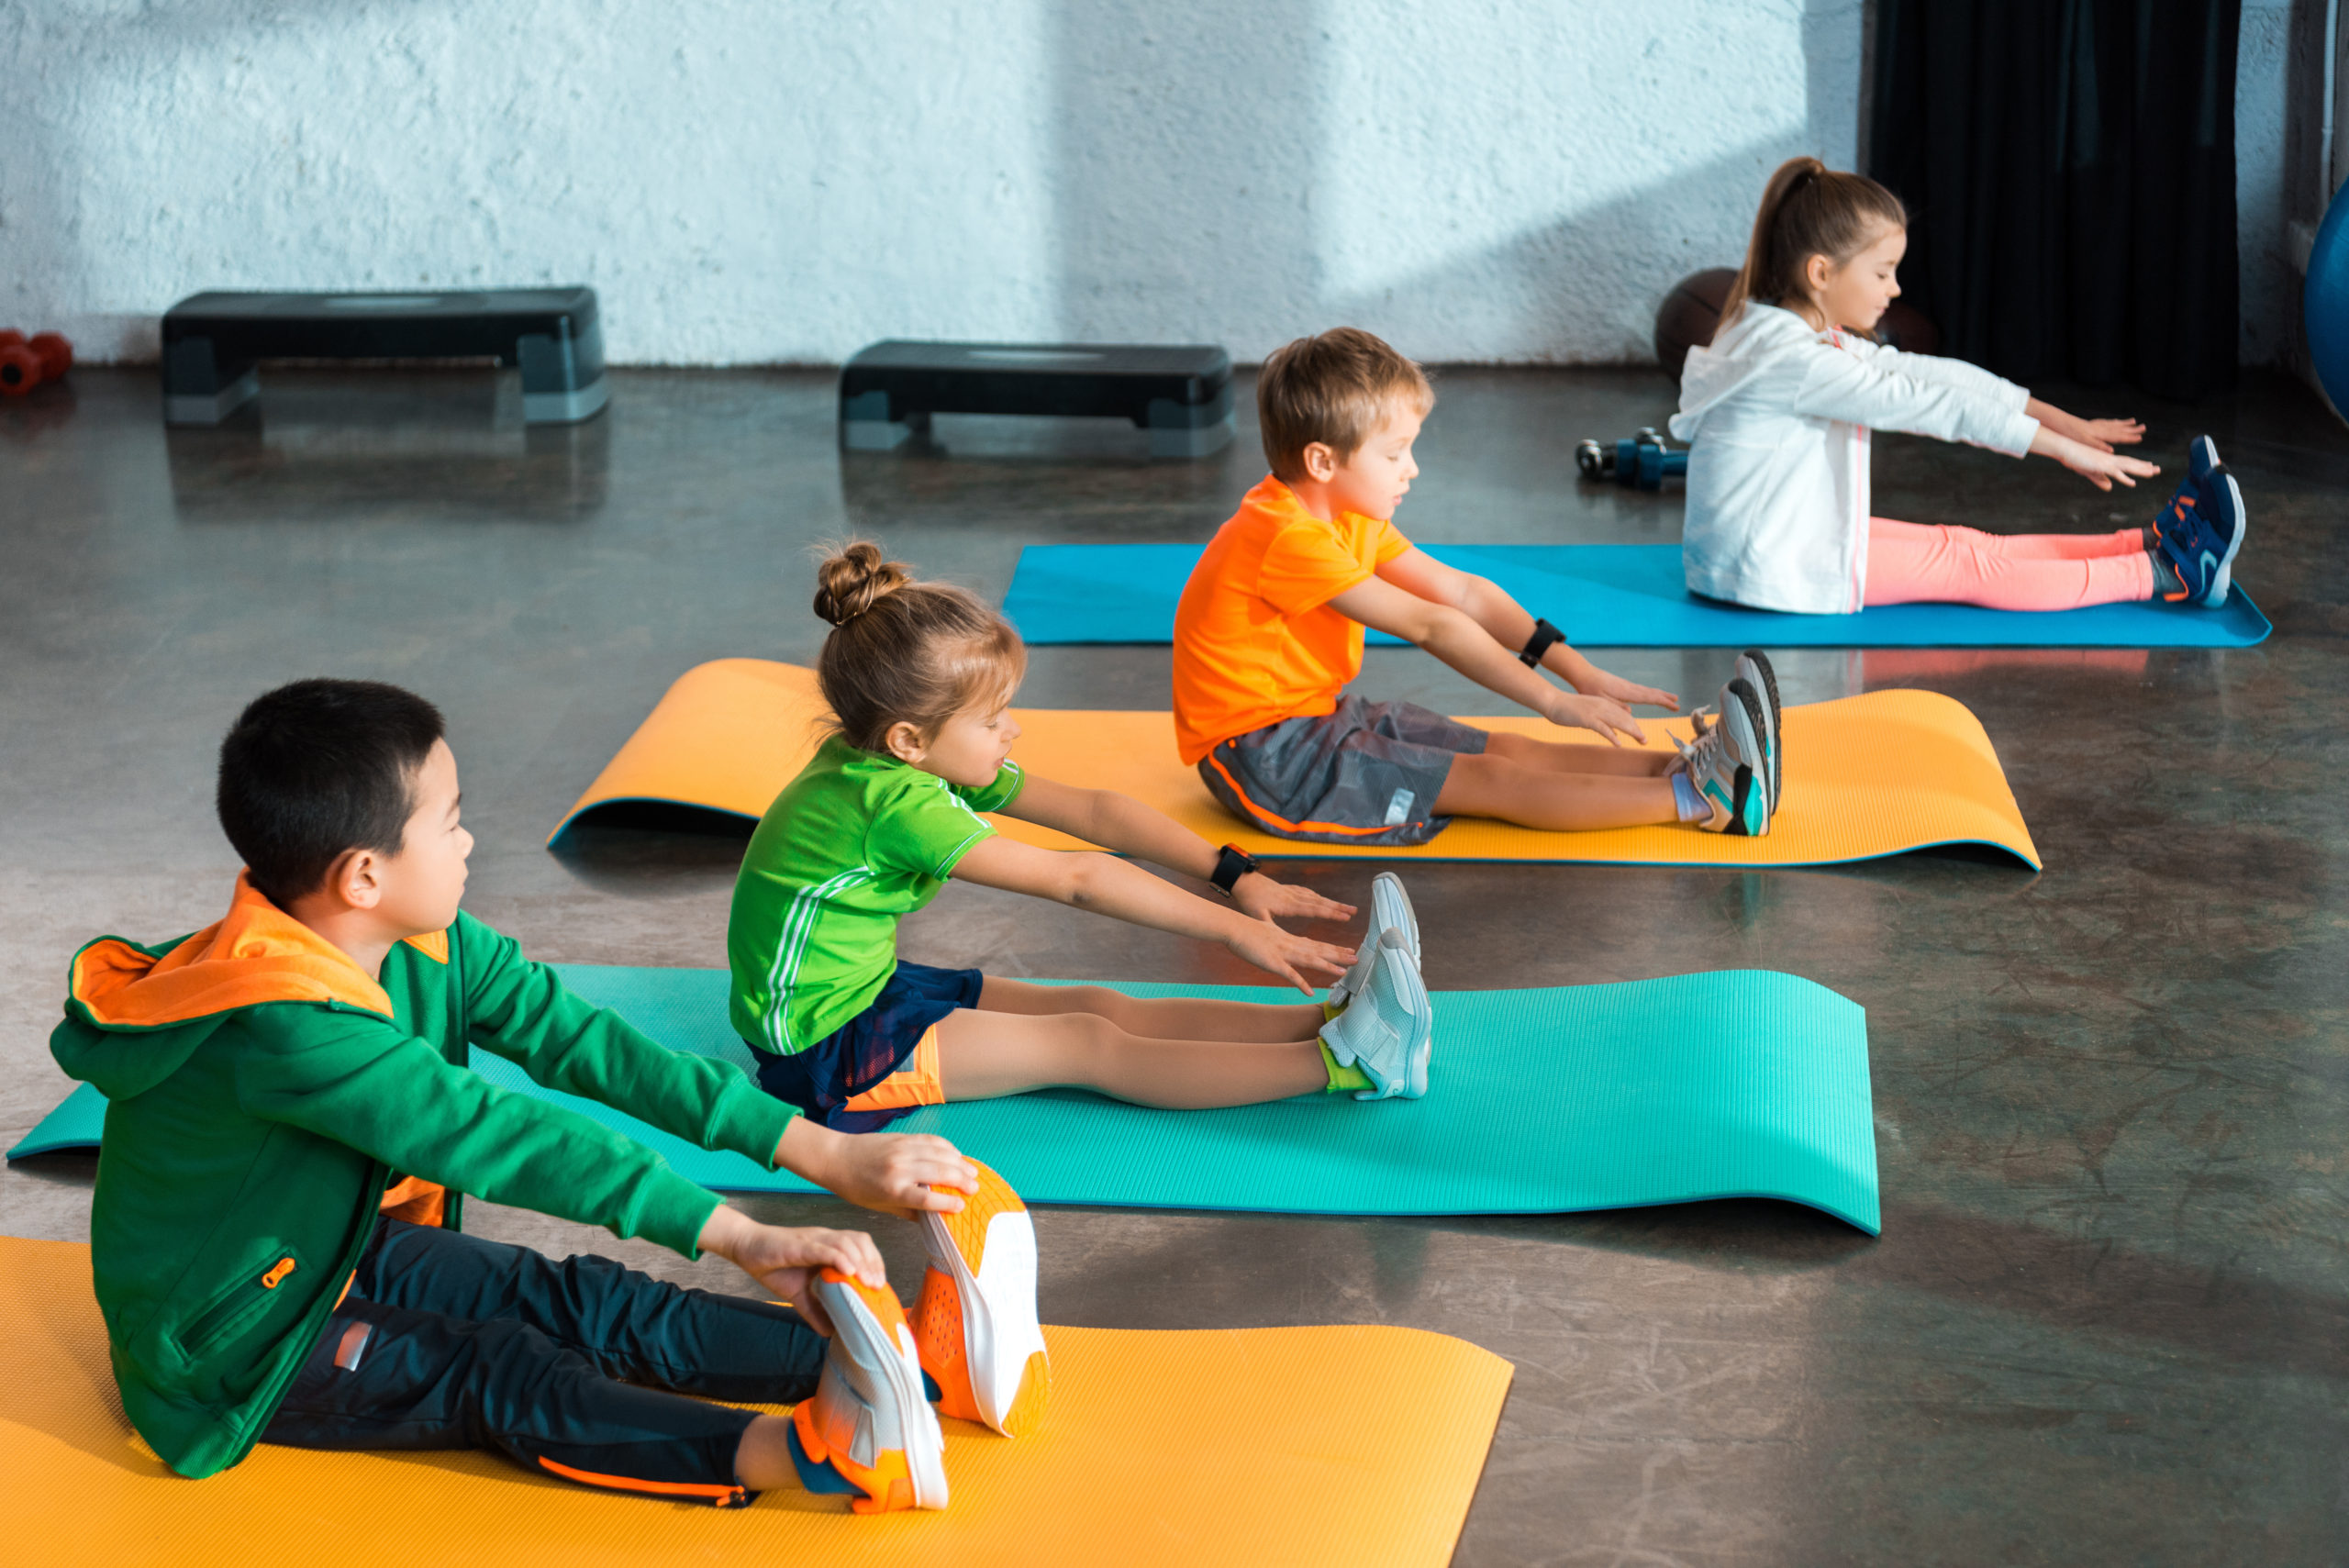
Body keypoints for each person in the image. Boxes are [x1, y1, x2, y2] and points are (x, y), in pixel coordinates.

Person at [50, 678, 1033, 1516]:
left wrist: (811, 1147)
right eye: (451, 819)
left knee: (573, 1295)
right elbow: (499, 1134)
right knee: (500, 1367)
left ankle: (915, 1354)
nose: (471, 839)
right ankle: (809, 1454)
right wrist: (741, 1233)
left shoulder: (428, 938)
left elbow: (580, 1042)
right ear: (362, 875)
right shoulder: (283, 1023)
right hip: (238, 1337)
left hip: (333, 1242)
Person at [729, 542, 1440, 1133]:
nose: (1012, 730)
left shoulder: (896, 755)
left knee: (1101, 1003)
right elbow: (1078, 877)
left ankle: (1335, 1020)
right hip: (825, 1053)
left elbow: (1096, 813)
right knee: (1087, 1043)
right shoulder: (893, 803)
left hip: (869, 994)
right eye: (992, 718)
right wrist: (1232, 930)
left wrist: (1235, 873)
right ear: (910, 738)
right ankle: (1350, 1063)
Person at [1171, 327, 1780, 845]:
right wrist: (1553, 702)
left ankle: (1694, 767)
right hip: (1263, 760)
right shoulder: (1285, 537)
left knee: (1507, 751)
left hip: (1316, 718)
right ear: (1323, 462)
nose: (1412, 468)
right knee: (1490, 781)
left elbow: (1463, 593)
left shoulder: (1347, 518)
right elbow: (1432, 625)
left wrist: (1575, 671)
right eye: (1395, 453)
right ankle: (1707, 801)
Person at [1671, 155, 2248, 617]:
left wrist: (2062, 422)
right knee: (1968, 567)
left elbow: (1926, 374)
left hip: (1774, 534)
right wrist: (2057, 449)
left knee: (1965, 541)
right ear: (1821, 273)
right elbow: (1930, 405)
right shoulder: (1794, 360)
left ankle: (2147, 542)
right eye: (1881, 272)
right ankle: (2167, 574)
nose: (1894, 289)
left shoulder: (1790, 329)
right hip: (1764, 563)